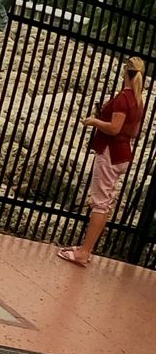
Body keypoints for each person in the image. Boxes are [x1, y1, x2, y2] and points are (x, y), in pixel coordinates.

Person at [59, 55, 145, 266]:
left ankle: (84, 252)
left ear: (125, 72)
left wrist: (94, 121)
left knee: (99, 203)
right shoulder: (137, 100)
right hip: (123, 154)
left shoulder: (123, 99)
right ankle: (85, 248)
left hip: (110, 153)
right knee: (105, 203)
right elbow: (133, 132)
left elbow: (115, 128)